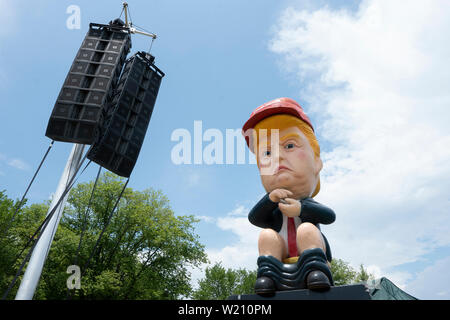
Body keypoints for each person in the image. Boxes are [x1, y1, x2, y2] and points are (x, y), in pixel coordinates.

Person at [242, 97, 336, 294]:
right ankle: (268, 275)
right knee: (267, 235)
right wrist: (270, 200)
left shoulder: (308, 203)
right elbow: (254, 218)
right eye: (267, 152)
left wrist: (301, 208)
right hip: (279, 262)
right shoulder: (272, 203)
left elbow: (329, 216)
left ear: (316, 160)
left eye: (290, 145)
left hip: (311, 259)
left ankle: (315, 270)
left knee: (307, 230)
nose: (277, 156)